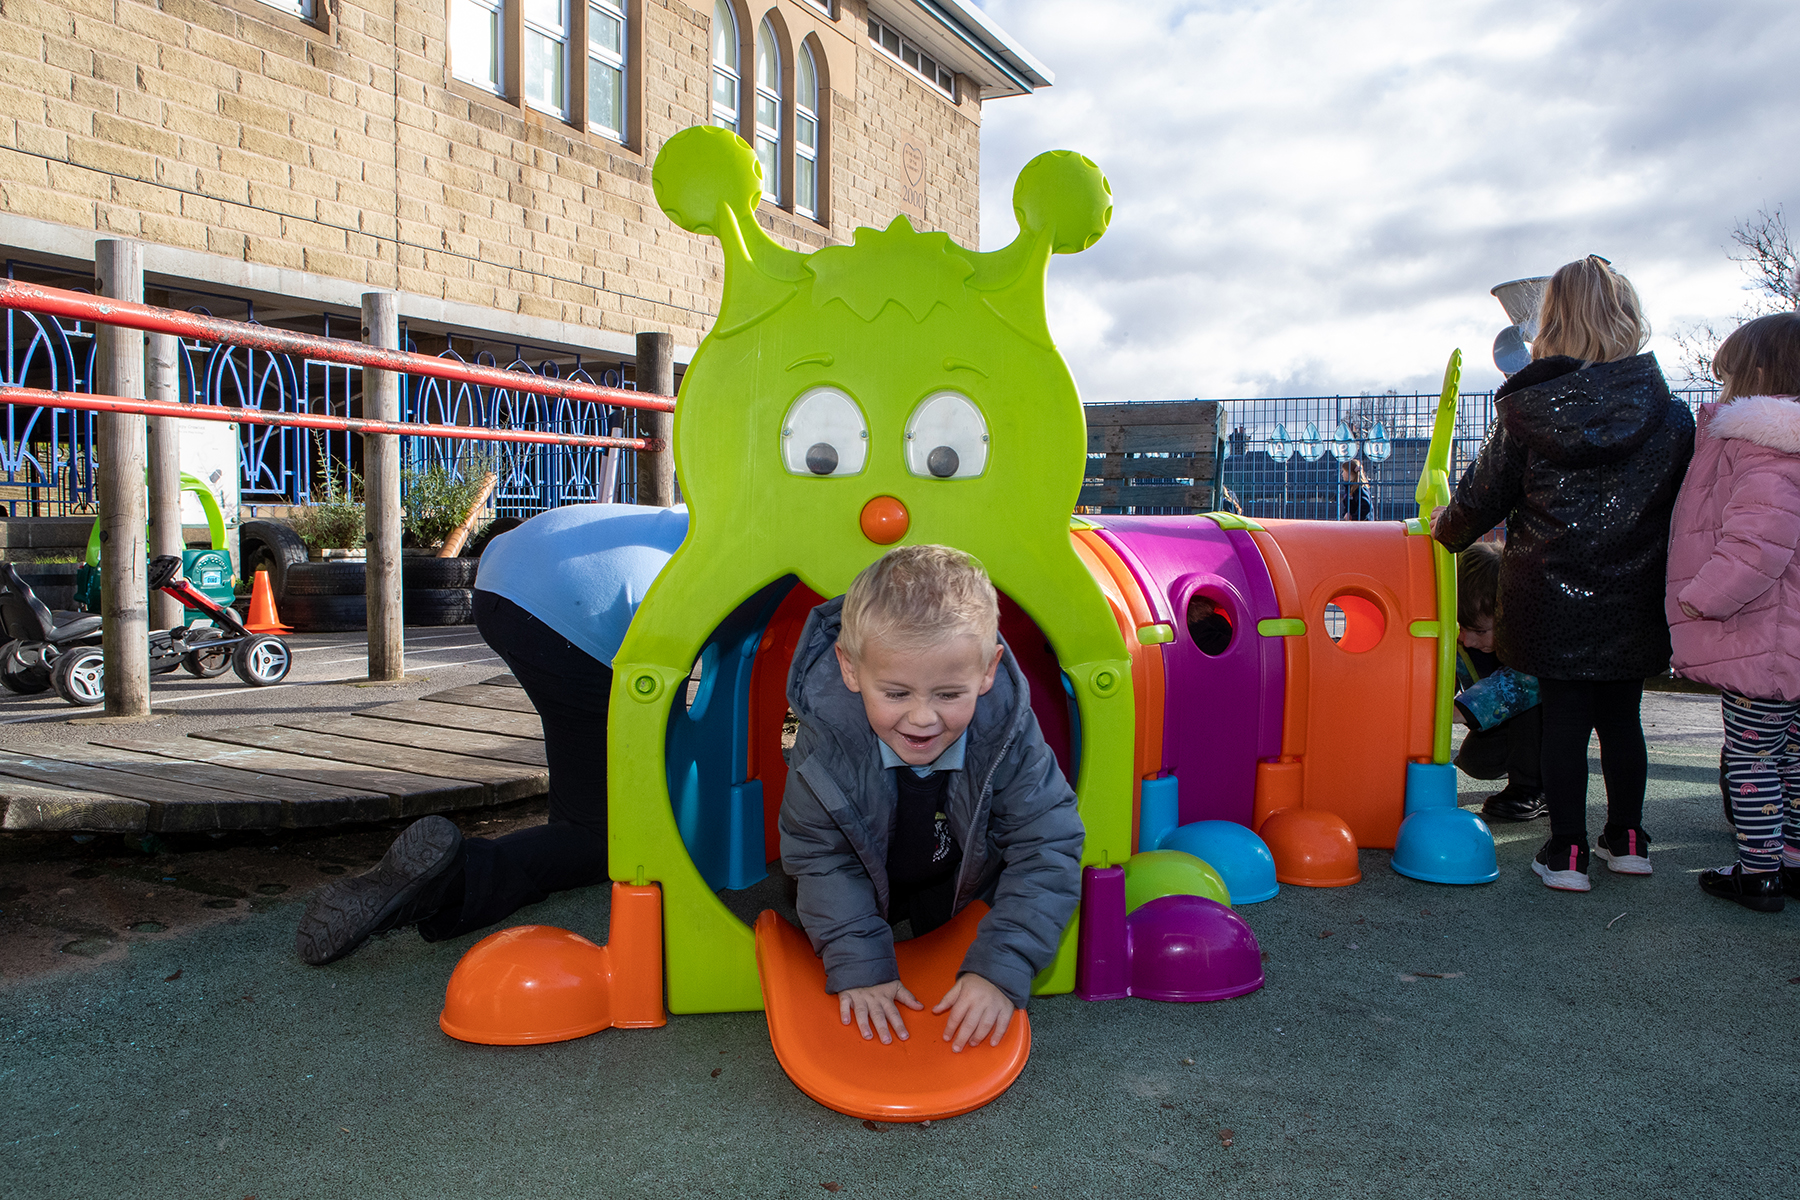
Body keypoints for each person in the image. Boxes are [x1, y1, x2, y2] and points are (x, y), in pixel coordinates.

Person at [294, 502, 688, 966]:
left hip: (503, 578)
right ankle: (450, 880)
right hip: (572, 609)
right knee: (601, 835)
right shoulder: (758, 551)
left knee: (586, 776)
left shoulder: (700, 509)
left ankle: (554, 824)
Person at [1433, 255, 1694, 892]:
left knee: (1566, 722)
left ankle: (1567, 851)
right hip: (1634, 594)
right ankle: (1629, 839)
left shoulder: (1529, 412)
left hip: (1548, 596)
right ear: (1629, 319)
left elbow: (1480, 500)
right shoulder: (1671, 414)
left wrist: (1447, 527)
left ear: (1550, 323)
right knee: (1623, 718)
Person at [779, 545, 1083, 1053]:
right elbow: (821, 856)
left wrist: (1002, 967)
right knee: (819, 911)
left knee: (944, 928)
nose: (922, 718)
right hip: (865, 874)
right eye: (896, 693)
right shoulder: (829, 738)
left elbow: (1047, 845)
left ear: (988, 671)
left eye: (948, 694)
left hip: (959, 876)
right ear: (851, 669)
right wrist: (860, 964)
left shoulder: (1005, 732)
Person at [1665, 312, 1800, 912]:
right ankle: (1792, 861)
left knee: (1751, 757)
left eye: (1727, 377)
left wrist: (1702, 597)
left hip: (1758, 637)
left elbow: (1758, 542)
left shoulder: (1763, 447)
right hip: (1787, 637)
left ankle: (1758, 870)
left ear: (1760, 375)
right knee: (1793, 755)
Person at [1450, 541, 1544, 822]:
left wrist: (1459, 710)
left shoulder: (1530, 637)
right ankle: (1524, 766)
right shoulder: (1465, 642)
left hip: (1550, 722)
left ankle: (1534, 787)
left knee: (1529, 708)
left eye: (1479, 630)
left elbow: (1523, 683)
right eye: (1461, 629)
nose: (1467, 640)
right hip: (1507, 725)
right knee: (1476, 761)